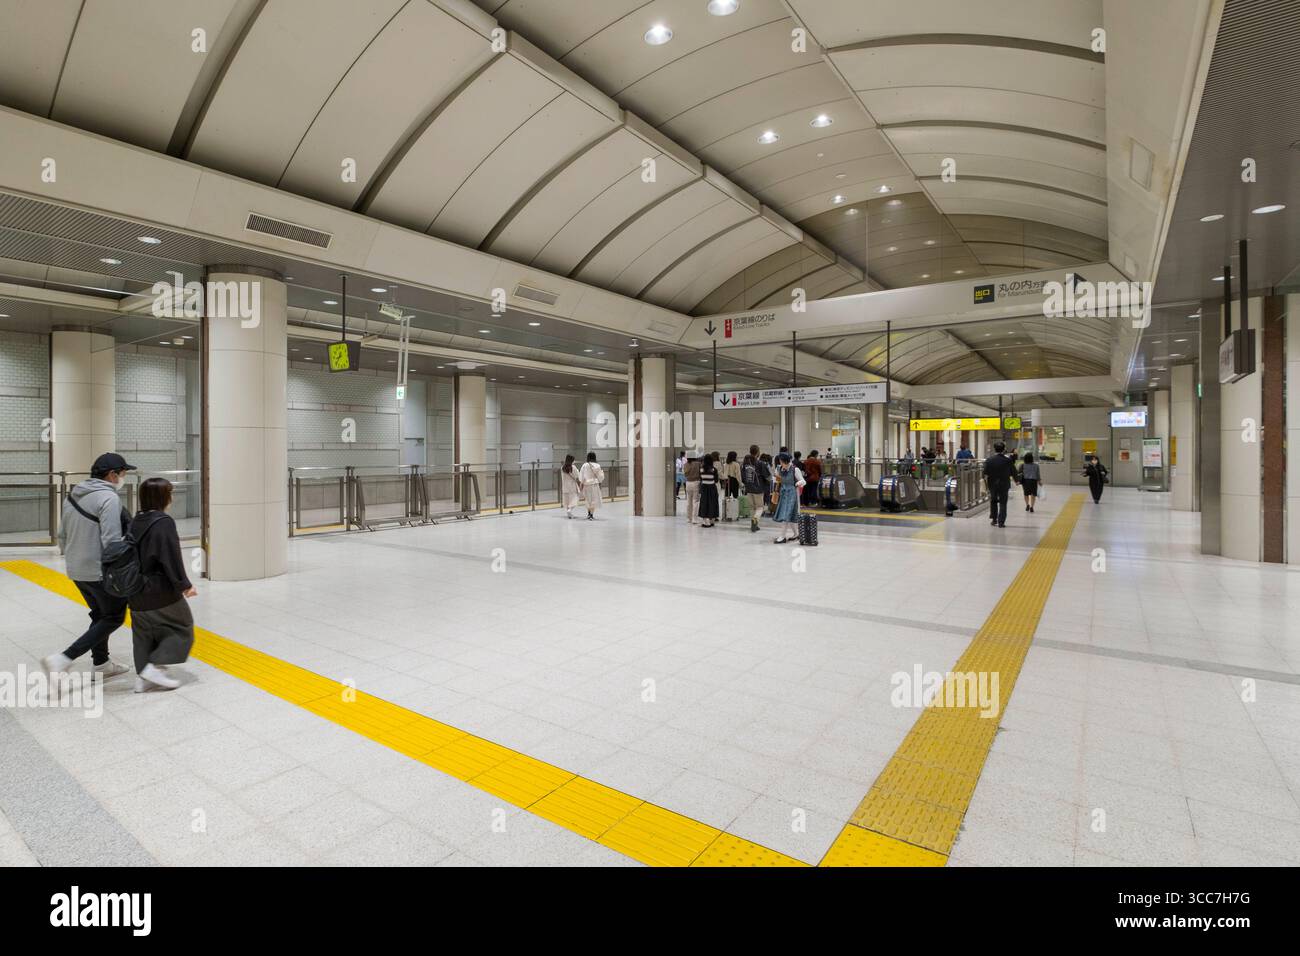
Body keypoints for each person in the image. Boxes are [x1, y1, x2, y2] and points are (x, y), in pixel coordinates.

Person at [42, 452, 136, 679]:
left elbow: (62, 534)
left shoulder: (72, 495)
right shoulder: (109, 498)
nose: (123, 478)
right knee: (114, 617)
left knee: (100, 614)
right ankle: (64, 658)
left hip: (76, 568)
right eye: (122, 473)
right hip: (99, 571)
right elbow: (112, 541)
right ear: (112, 475)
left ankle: (101, 664)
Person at [128, 478, 197, 692]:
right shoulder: (163, 522)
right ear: (162, 497)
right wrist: (184, 585)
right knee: (182, 628)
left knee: (143, 635)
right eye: (170, 493)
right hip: (160, 591)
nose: (172, 497)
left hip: (135, 590)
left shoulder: (135, 520)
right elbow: (170, 557)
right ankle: (154, 667)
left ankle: (143, 677)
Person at [771, 452, 805, 544]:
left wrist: (797, 483)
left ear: (786, 461)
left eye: (781, 462)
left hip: (792, 494)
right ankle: (796, 534)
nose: (780, 463)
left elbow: (803, 481)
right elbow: (776, 480)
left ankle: (782, 536)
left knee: (786, 514)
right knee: (789, 515)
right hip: (783, 493)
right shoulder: (779, 468)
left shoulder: (795, 469)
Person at [983, 440, 1015, 528]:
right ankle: (1001, 522)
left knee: (993, 501)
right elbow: (1013, 471)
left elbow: (985, 473)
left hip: (992, 484)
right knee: (1003, 503)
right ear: (1004, 449)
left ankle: (994, 520)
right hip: (1004, 484)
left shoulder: (989, 460)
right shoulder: (1008, 460)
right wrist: (1017, 480)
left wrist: (985, 483)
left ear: (994, 449)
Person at [742, 445, 770, 533]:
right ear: (758, 452)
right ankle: (755, 519)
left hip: (748, 488)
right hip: (758, 489)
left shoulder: (745, 464)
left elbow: (742, 476)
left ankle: (754, 525)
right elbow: (768, 476)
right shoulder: (760, 463)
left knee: (752, 508)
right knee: (760, 507)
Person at [579, 452, 604, 519]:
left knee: (588, 499)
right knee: (594, 500)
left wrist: (581, 484)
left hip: (587, 484)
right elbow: (600, 477)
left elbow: (582, 476)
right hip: (594, 484)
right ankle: (591, 514)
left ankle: (589, 513)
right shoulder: (597, 466)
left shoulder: (585, 465)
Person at [697, 453, 720, 528]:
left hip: (704, 488)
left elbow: (701, 479)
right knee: (713, 503)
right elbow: (716, 480)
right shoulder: (714, 469)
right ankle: (712, 520)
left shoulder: (701, 469)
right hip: (712, 488)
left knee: (704, 503)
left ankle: (706, 521)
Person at [720, 450, 741, 520]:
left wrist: (724, 478)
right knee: (735, 498)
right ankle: (735, 514)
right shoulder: (736, 464)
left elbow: (722, 473)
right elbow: (738, 475)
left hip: (727, 481)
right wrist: (740, 483)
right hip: (734, 481)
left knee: (726, 497)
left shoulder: (725, 464)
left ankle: (726, 514)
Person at [683, 454, 702, 524]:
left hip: (688, 483)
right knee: (695, 501)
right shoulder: (698, 464)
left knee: (689, 502)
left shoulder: (685, 464)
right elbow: (701, 473)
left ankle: (688, 518)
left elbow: (685, 474)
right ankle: (694, 519)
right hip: (696, 482)